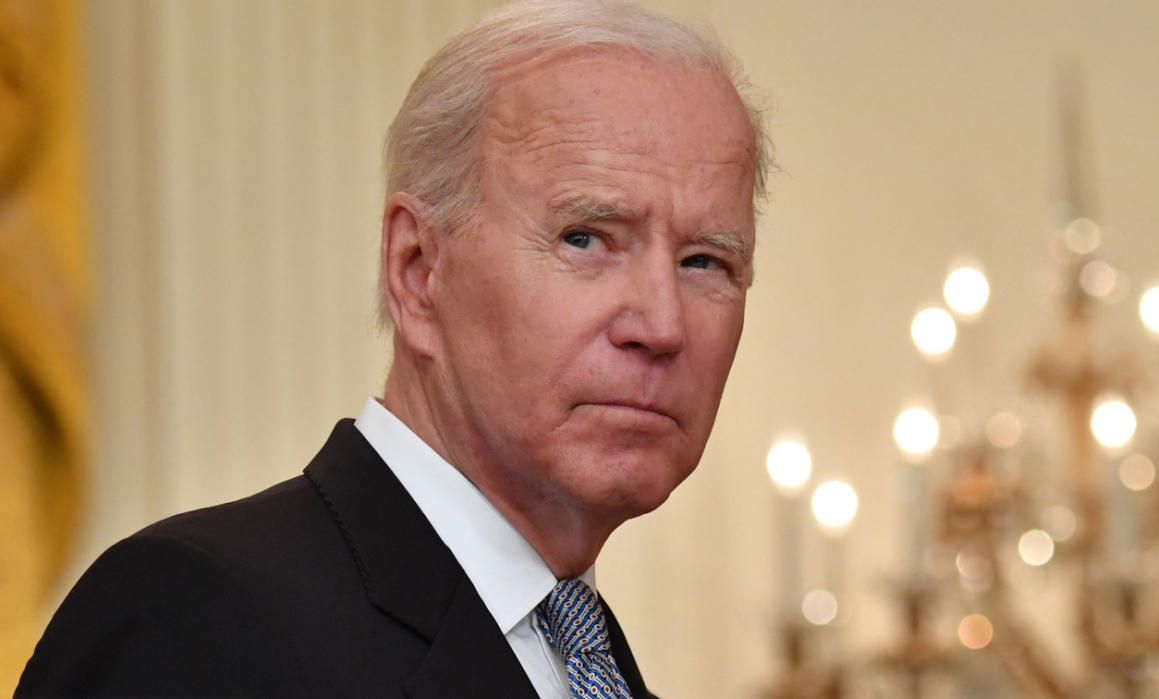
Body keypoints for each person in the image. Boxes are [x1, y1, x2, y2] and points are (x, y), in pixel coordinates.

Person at [17, 0, 769, 696]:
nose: (662, 325)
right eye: (587, 239)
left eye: (705, 261)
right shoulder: (192, 619)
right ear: (418, 271)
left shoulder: (586, 659)